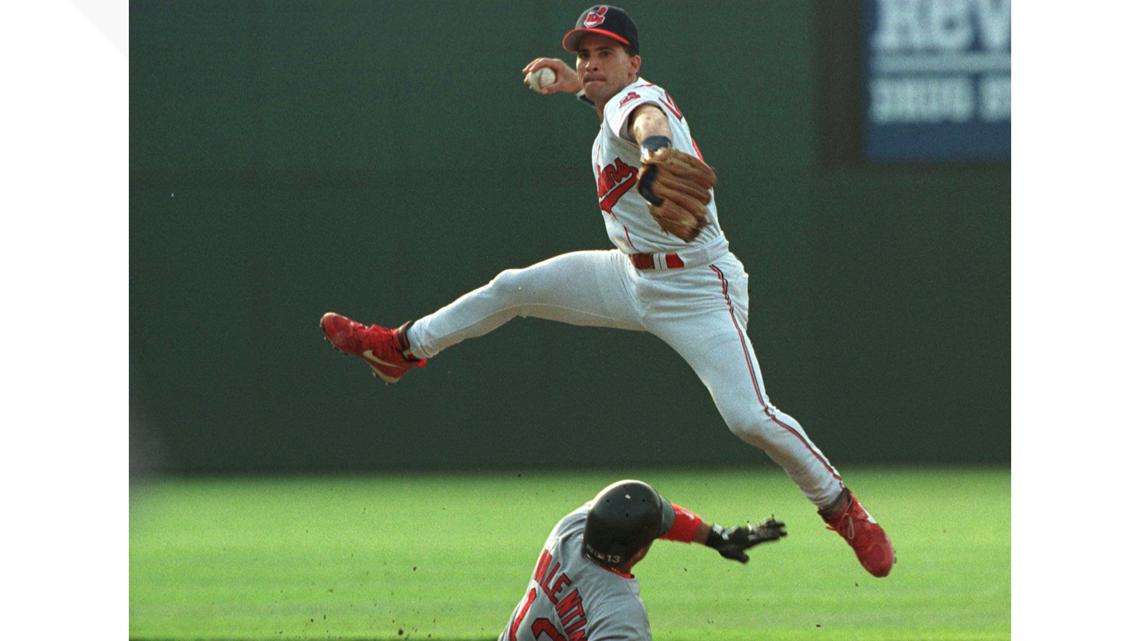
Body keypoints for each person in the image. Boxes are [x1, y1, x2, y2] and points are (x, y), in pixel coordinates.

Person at [320, 5, 895, 577]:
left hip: (698, 289)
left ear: (634, 62)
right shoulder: (606, 102)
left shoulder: (642, 100)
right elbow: (614, 108)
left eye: (606, 54)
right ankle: (401, 347)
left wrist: (656, 153)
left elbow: (644, 117)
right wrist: (579, 86)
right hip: (631, 275)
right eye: (584, 54)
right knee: (514, 288)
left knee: (749, 418)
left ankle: (842, 509)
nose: (592, 63)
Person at [498, 479, 786, 640]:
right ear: (639, 552)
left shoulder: (569, 530)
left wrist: (716, 536)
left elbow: (640, 512)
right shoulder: (619, 612)